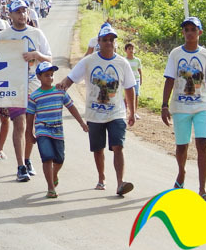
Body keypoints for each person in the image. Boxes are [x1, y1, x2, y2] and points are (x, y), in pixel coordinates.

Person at [56, 23, 136, 196]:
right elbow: (71, 78)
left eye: (111, 40)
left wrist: (132, 112)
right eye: (105, 40)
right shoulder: (88, 61)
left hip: (116, 113)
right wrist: (63, 85)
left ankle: (120, 182)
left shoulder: (122, 63)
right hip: (94, 113)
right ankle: (101, 177)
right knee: (98, 148)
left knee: (118, 146)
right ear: (98, 41)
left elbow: (129, 88)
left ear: (115, 42)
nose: (108, 43)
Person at [161, 17, 206, 202]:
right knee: (182, 145)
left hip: (202, 104)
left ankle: (202, 188)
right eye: (186, 29)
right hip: (180, 106)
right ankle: (181, 173)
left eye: (193, 29)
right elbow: (169, 79)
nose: (189, 33)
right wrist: (164, 105)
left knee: (202, 143)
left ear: (199, 32)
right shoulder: (175, 54)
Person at [0, 0, 52, 182]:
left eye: (24, 11)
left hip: (34, 85)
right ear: (10, 15)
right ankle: (20, 166)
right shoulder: (3, 36)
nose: (22, 15)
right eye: (18, 11)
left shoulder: (36, 33)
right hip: (13, 86)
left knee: (30, 125)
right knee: (19, 123)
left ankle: (27, 159)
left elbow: (49, 59)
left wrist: (36, 55)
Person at [27, 62, 88, 198]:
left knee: (59, 159)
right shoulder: (34, 96)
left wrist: (81, 123)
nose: (50, 78)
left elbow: (71, 107)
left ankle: (54, 174)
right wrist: (29, 133)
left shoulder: (60, 92)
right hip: (42, 130)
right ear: (39, 77)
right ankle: (50, 187)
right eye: (46, 75)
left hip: (57, 131)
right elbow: (30, 116)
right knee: (47, 158)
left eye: (52, 75)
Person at [124, 43, 143, 120]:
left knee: (136, 95)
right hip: (127, 80)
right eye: (129, 49)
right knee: (126, 96)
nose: (131, 50)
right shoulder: (124, 60)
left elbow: (139, 70)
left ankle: (135, 113)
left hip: (136, 79)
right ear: (126, 50)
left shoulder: (137, 60)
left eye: (132, 49)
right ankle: (124, 112)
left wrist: (141, 79)